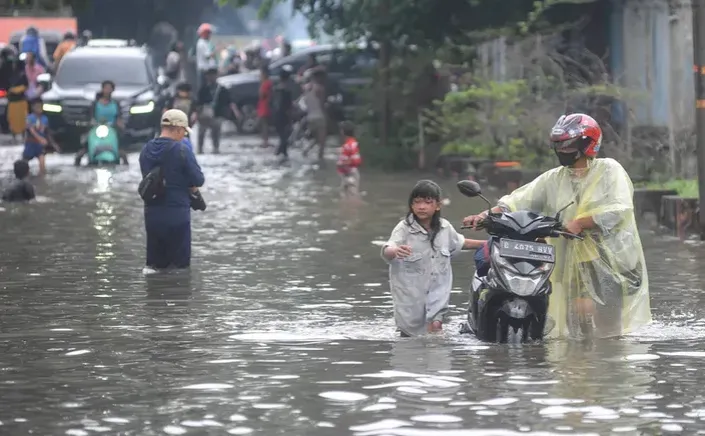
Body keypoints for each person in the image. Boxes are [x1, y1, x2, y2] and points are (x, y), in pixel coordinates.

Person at [463, 113, 651, 339]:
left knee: (607, 326)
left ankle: (607, 366)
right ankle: (576, 367)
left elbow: (619, 210)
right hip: (569, 258)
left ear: (586, 144)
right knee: (573, 318)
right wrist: (485, 215)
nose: (562, 150)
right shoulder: (554, 178)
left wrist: (581, 223)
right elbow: (518, 199)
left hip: (607, 259)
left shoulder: (609, 170)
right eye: (558, 145)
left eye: (567, 145)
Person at [381, 180, 485, 337]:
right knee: (408, 337)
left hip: (437, 294)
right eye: (417, 202)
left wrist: (490, 244)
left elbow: (461, 243)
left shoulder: (445, 227)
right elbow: (388, 249)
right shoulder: (404, 228)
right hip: (410, 298)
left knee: (436, 328)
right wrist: (395, 251)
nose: (421, 206)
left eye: (427, 202)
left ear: (438, 205)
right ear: (411, 205)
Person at [139, 109, 204, 272]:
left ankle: (155, 295)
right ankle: (176, 296)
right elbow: (198, 179)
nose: (183, 136)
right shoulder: (182, 150)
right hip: (177, 215)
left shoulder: (146, 150)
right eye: (183, 131)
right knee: (179, 270)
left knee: (154, 268)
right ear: (177, 129)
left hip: (152, 216)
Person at [74, 80, 128, 165]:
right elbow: (90, 117)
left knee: (122, 150)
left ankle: (125, 163)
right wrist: (91, 123)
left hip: (112, 129)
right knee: (83, 149)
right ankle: (78, 163)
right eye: (106, 88)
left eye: (109, 88)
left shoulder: (116, 104)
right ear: (102, 89)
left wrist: (120, 124)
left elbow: (119, 117)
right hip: (96, 128)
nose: (107, 90)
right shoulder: (95, 104)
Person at [196, 67, 241, 154]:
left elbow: (229, 101)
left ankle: (215, 147)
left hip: (217, 114)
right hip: (205, 115)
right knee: (201, 131)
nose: (211, 77)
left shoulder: (222, 89)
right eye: (210, 75)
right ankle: (200, 148)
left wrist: (235, 112)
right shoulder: (203, 89)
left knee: (216, 130)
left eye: (213, 75)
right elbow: (198, 103)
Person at [23, 97, 58, 176]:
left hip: (39, 146)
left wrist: (53, 144)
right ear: (33, 107)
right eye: (37, 107)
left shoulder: (44, 119)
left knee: (42, 164)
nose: (39, 108)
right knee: (25, 164)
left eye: (40, 106)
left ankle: (41, 178)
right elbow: (32, 131)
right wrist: (41, 139)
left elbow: (47, 132)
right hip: (30, 144)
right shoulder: (29, 118)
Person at [302, 67, 327, 160]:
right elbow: (322, 104)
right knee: (322, 142)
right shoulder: (320, 88)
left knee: (317, 139)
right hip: (319, 116)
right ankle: (321, 161)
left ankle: (306, 151)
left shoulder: (306, 88)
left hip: (310, 116)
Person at [272, 65, 296, 162]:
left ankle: (282, 154)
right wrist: (291, 118)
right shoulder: (287, 91)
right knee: (285, 136)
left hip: (276, 114)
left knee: (282, 135)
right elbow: (288, 107)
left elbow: (273, 102)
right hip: (284, 115)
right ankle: (279, 152)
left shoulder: (276, 89)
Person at [336, 121, 362, 197]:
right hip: (345, 175)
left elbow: (357, 160)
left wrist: (342, 164)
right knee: (344, 195)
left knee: (352, 195)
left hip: (351, 174)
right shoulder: (347, 144)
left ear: (343, 132)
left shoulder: (351, 144)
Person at [195, 23, 216, 90]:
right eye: (208, 33)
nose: (210, 35)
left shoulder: (205, 43)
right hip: (205, 71)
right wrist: (216, 51)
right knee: (205, 89)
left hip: (207, 71)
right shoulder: (202, 43)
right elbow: (208, 56)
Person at [257, 67, 273, 148]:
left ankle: (265, 141)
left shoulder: (266, 83)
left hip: (265, 106)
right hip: (263, 105)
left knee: (264, 124)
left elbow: (262, 95)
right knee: (264, 124)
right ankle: (265, 140)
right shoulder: (267, 83)